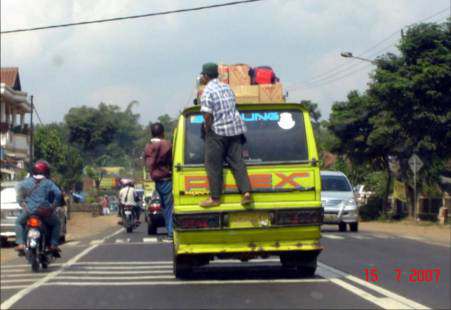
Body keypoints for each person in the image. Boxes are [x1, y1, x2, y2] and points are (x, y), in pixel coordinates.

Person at [198, 62, 252, 207]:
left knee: (213, 164)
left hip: (218, 132)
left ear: (206, 76)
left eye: (202, 74)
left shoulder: (207, 91)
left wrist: (207, 128)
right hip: (235, 130)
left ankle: (215, 198)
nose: (201, 77)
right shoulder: (227, 87)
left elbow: (207, 114)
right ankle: (246, 193)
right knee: (237, 162)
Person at [15, 160, 62, 253]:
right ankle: (53, 244)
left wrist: (21, 202)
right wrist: (53, 206)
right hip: (44, 212)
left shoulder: (26, 182)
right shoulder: (48, 183)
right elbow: (58, 193)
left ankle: (20, 244)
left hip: (29, 211)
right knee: (57, 224)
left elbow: (18, 189)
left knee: (19, 222)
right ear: (46, 171)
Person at [144, 123, 173, 239]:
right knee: (169, 207)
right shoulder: (166, 144)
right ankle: (171, 232)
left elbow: (148, 164)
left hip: (157, 180)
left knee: (165, 207)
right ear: (162, 132)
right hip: (167, 179)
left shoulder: (148, 146)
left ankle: (170, 230)